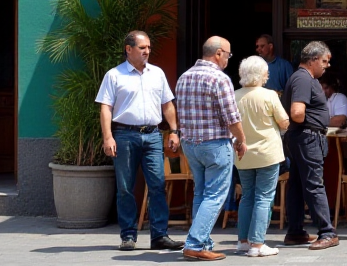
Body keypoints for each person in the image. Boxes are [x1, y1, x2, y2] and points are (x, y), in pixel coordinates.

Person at [95, 31, 185, 252]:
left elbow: (168, 104)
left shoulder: (157, 73)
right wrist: (108, 137)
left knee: (157, 185)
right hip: (125, 135)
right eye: (142, 47)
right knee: (125, 187)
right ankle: (128, 236)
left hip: (153, 135)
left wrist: (174, 131)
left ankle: (160, 236)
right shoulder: (114, 75)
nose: (147, 51)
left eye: (148, 48)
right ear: (129, 49)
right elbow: (105, 107)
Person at [176, 36, 249, 261]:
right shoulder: (220, 78)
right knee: (215, 195)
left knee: (201, 193)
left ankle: (202, 241)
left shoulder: (184, 77)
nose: (228, 59)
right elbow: (232, 117)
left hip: (190, 144)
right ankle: (196, 243)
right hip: (215, 143)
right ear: (218, 53)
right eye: (228, 54)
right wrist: (241, 139)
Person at [281, 41, 339, 250]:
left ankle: (296, 231)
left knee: (297, 184)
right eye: (325, 61)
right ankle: (327, 232)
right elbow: (297, 112)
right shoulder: (304, 79)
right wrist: (312, 124)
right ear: (313, 60)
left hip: (301, 137)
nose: (327, 65)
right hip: (307, 137)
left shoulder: (301, 78)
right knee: (314, 184)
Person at [233, 56, 290, 258]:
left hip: (243, 153)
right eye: (266, 72)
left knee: (247, 196)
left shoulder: (235, 95)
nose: (268, 75)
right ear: (260, 74)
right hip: (267, 153)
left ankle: (243, 241)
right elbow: (284, 122)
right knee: (264, 197)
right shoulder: (269, 95)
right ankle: (257, 244)